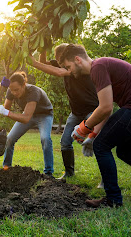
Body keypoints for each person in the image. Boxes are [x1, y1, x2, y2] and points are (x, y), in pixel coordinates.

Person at [59, 44, 131, 207]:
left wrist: (83, 128)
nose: (69, 71)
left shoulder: (97, 68)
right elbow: (106, 108)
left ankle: (113, 199)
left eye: (68, 66)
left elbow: (105, 108)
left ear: (78, 60)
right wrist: (92, 135)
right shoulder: (100, 67)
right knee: (124, 152)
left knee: (102, 147)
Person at [29, 44, 101, 183]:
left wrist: (32, 63)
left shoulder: (73, 67)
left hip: (92, 110)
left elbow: (58, 72)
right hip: (76, 112)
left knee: (97, 143)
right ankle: (69, 173)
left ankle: (105, 178)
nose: (59, 64)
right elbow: (44, 62)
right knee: (65, 142)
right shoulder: (63, 64)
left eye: (60, 61)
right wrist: (44, 44)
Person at [0, 71, 54, 177]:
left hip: (44, 115)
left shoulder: (33, 91)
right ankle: (6, 168)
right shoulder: (10, 90)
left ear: (24, 85)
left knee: (45, 139)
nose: (14, 93)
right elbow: (6, 108)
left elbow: (25, 118)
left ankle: (48, 173)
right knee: (9, 139)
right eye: (12, 90)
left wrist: (6, 112)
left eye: (16, 90)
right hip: (28, 114)